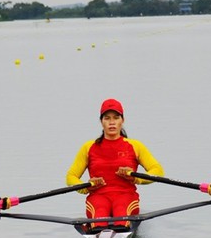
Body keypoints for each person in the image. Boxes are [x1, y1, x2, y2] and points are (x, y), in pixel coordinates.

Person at [66, 98, 164, 230]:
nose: (112, 122)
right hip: (98, 197)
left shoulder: (135, 146)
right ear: (101, 121)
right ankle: (98, 232)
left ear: (122, 120)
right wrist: (87, 187)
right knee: (99, 212)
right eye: (107, 118)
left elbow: (157, 171)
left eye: (116, 117)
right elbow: (71, 176)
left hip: (126, 196)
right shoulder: (88, 147)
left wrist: (136, 178)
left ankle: (119, 229)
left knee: (121, 210)